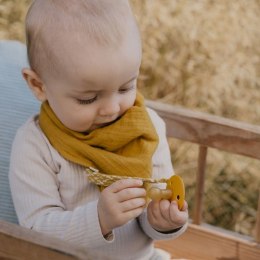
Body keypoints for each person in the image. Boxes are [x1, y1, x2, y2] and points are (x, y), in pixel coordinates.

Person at [9, 0, 188, 259]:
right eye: (88, 98)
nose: (111, 108)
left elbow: (152, 219)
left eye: (126, 87)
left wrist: (163, 221)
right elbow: (36, 231)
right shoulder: (35, 145)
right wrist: (99, 219)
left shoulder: (146, 130)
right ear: (38, 85)